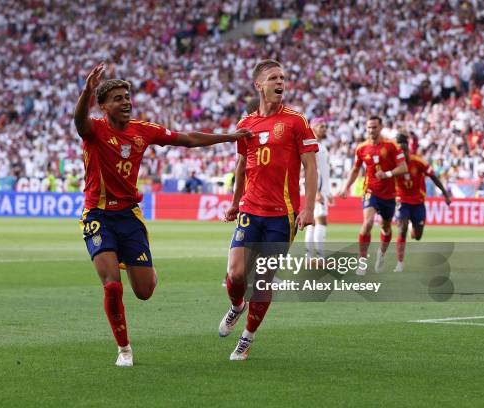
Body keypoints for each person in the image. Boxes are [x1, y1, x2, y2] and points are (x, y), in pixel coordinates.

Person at [73, 62, 252, 367]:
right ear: (103, 106)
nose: (126, 101)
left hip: (129, 217)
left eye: (127, 96)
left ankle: (141, 268)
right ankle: (124, 349)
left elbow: (187, 139)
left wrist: (228, 137)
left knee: (144, 292)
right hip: (98, 216)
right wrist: (87, 90)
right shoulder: (94, 129)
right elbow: (78, 122)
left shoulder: (144, 131)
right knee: (113, 285)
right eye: (117, 98)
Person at [219, 59, 318, 360]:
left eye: (283, 78)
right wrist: (235, 201)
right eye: (274, 77)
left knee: (262, 279)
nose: (281, 82)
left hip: (282, 214)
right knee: (236, 275)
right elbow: (241, 165)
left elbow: (310, 167)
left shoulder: (296, 121)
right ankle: (237, 306)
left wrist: (309, 208)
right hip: (251, 209)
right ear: (258, 85)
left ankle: (247, 337)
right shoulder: (245, 125)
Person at [340, 116, 408, 275]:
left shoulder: (391, 146)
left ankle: (381, 254)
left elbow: (403, 167)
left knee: (386, 228)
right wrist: (346, 187)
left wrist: (388, 174)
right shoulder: (361, 148)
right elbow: (356, 170)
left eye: (374, 127)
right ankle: (362, 261)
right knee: (368, 222)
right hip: (370, 191)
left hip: (389, 194)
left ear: (381, 127)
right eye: (369, 127)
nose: (371, 130)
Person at [393, 133, 451, 272]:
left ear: (408, 150)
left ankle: (414, 225)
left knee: (417, 236)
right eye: (399, 151)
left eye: (404, 150)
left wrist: (444, 193)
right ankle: (400, 263)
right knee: (402, 229)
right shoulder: (393, 165)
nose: (402, 153)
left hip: (418, 202)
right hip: (401, 200)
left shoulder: (419, 162)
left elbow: (433, 177)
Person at [304, 117, 334, 259]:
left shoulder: (321, 146)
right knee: (321, 221)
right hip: (317, 190)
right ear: (313, 127)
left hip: (321, 190)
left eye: (325, 126)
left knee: (313, 223)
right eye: (321, 126)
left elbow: (323, 171)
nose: (324, 129)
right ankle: (320, 257)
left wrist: (328, 192)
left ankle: (310, 256)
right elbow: (310, 170)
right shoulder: (313, 146)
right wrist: (317, 192)